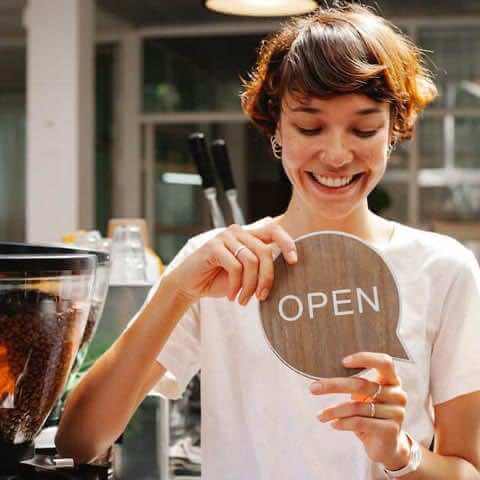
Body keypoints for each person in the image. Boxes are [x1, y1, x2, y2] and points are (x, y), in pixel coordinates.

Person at [56, 3, 480, 479]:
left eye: (364, 128)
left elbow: (468, 469)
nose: (337, 154)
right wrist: (178, 289)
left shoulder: (443, 268)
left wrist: (403, 454)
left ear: (395, 130)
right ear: (276, 126)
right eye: (309, 126)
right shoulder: (220, 263)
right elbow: (79, 442)